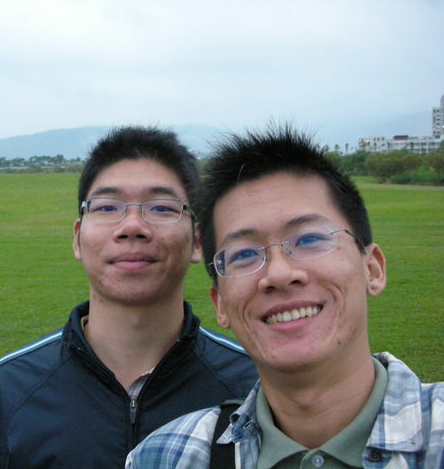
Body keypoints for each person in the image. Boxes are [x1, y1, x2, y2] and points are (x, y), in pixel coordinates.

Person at [126, 126, 444, 468]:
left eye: (309, 240)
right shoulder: (166, 457)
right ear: (220, 304)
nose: (278, 274)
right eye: (244, 254)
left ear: (373, 269)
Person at [0, 126, 257, 468]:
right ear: (77, 238)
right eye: (107, 207)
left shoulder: (254, 386)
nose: (132, 226)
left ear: (197, 241)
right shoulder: (7, 390)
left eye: (161, 208)